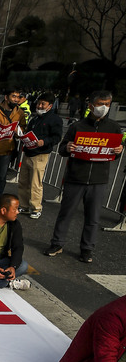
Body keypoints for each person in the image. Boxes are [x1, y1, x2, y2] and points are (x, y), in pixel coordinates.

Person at [45, 90, 124, 263]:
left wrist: (119, 151)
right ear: (90, 106)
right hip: (75, 178)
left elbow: (117, 150)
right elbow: (62, 148)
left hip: (98, 180)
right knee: (66, 213)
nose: (103, 108)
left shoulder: (114, 128)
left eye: (107, 105)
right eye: (100, 104)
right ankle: (57, 243)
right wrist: (68, 147)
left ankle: (87, 249)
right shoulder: (77, 127)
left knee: (93, 218)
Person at [17, 92, 63, 219]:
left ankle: (36, 208)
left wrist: (44, 142)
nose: (40, 106)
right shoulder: (35, 118)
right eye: (39, 103)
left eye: (43, 104)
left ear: (50, 106)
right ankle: (24, 205)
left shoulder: (54, 119)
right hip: (28, 152)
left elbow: (56, 137)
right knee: (23, 181)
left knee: (35, 183)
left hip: (40, 155)